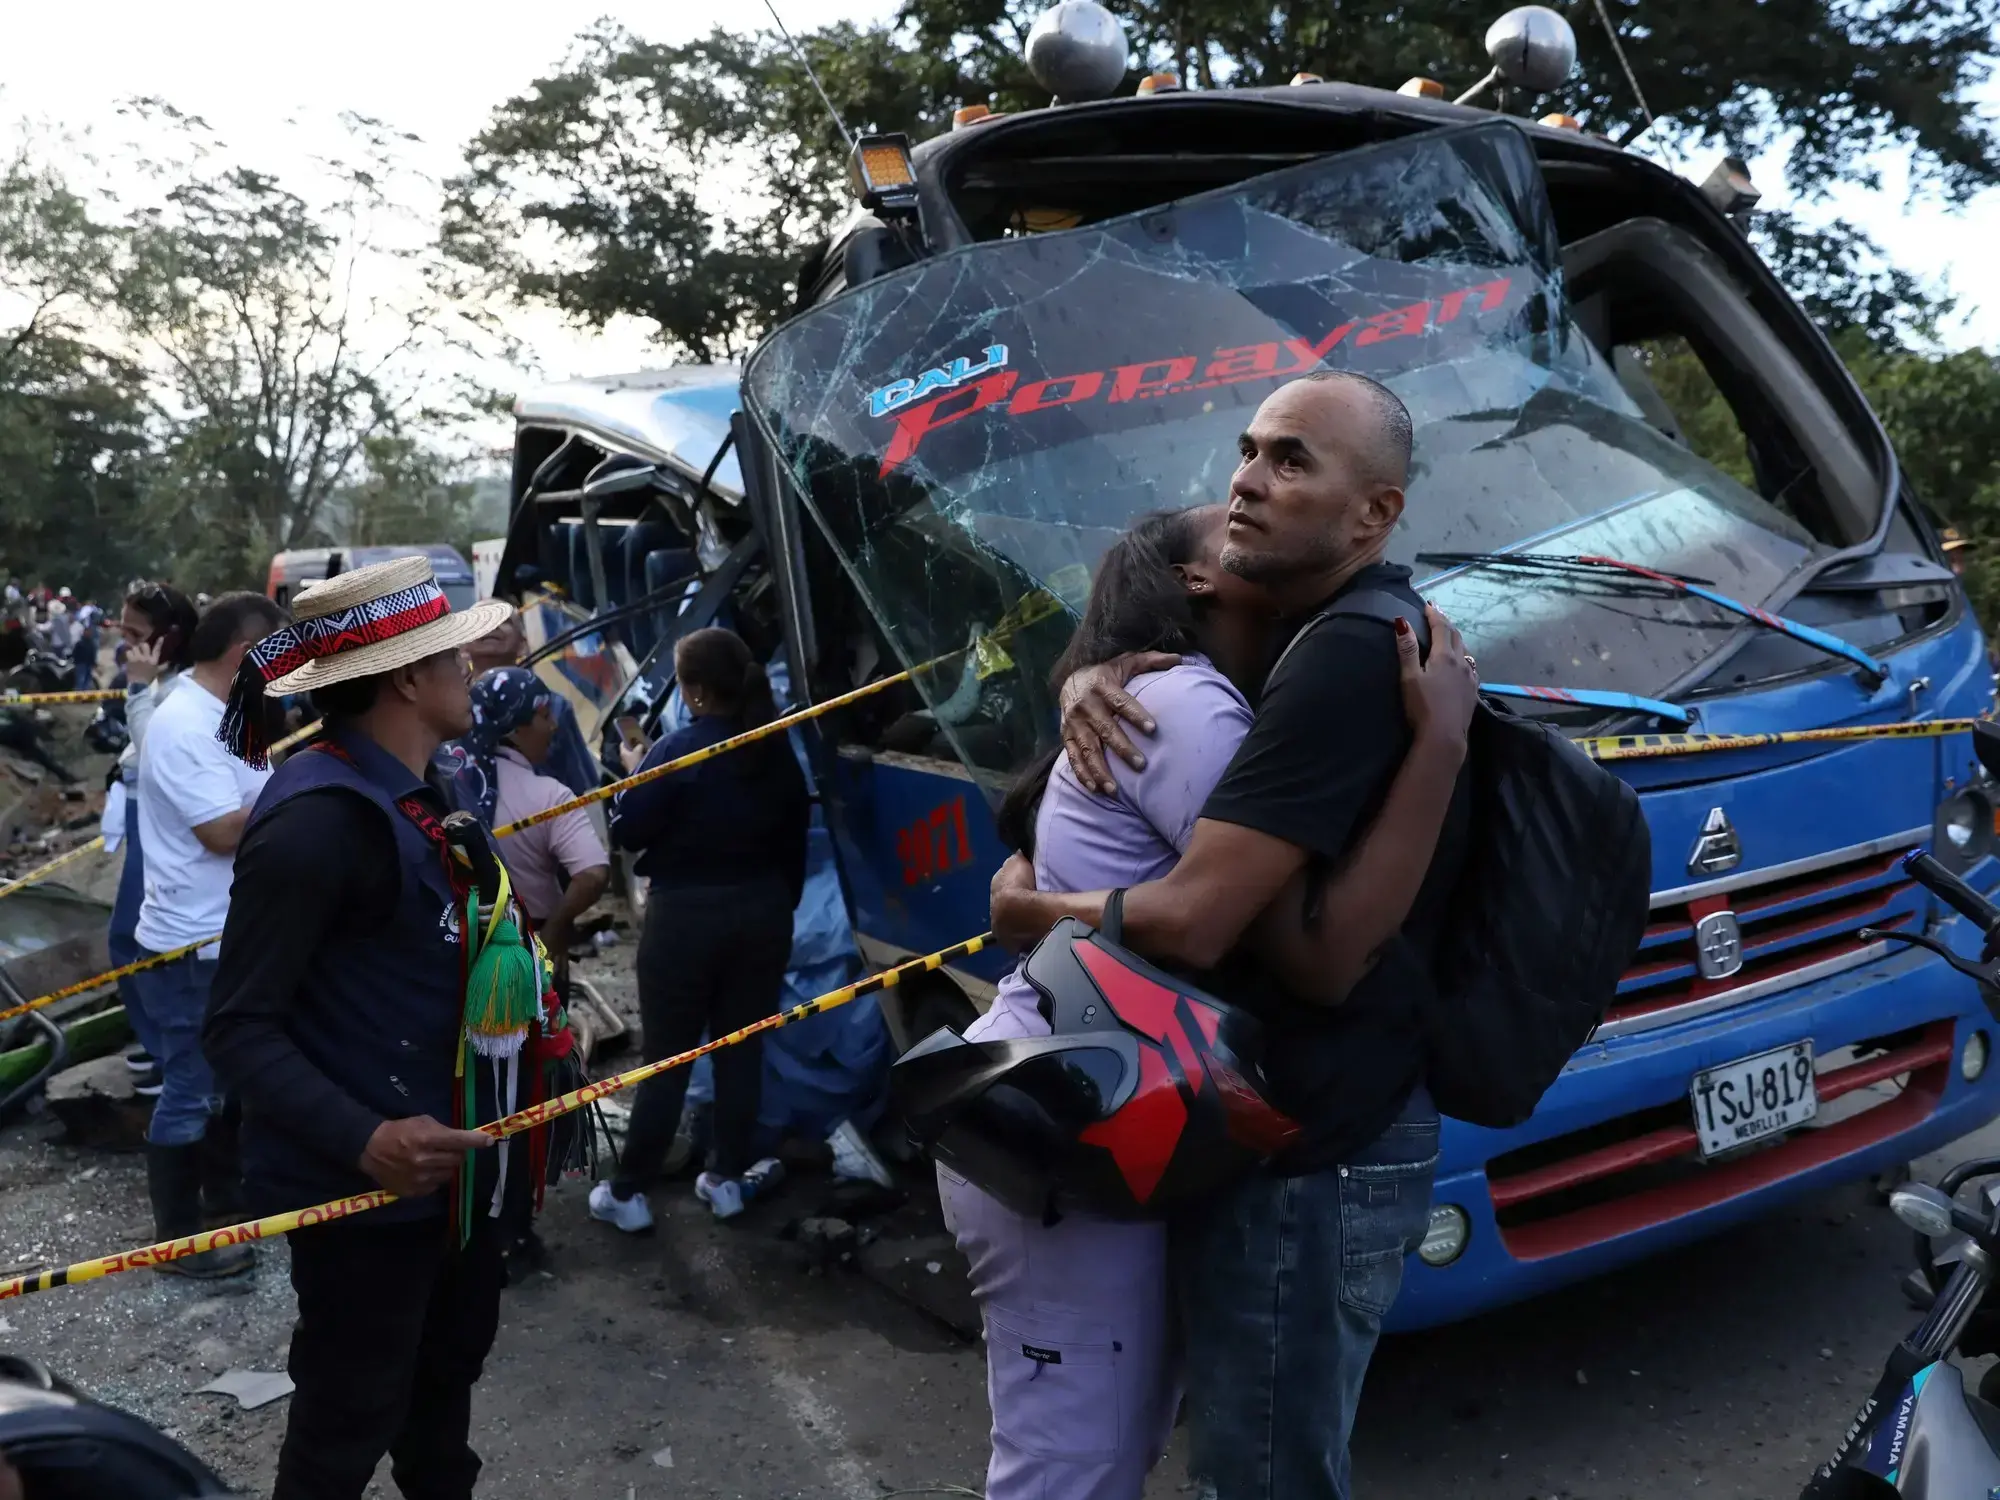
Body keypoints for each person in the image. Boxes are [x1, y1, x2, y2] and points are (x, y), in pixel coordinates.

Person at [990, 372, 1474, 1500]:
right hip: (1245, 1121)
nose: (1249, 481)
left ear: (1376, 514)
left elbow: (1250, 932)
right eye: (1246, 455)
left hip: (1312, 1138)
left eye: (1291, 459)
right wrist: (1086, 676)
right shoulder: (1246, 678)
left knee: (1214, 1467)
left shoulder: (1316, 662)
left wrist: (1019, 911)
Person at [204, 555, 520, 1500]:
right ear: (406, 680)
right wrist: (367, 1138)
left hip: (448, 1188)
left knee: (440, 1409)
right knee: (344, 1427)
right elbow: (238, 1028)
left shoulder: (415, 793)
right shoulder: (319, 820)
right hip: (365, 1199)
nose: (472, 671)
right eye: (454, 660)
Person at [590, 626, 809, 1230]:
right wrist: (775, 908)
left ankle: (630, 1191)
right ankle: (727, 1177)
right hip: (763, 915)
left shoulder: (676, 752)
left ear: (693, 692)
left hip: (685, 920)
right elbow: (796, 843)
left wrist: (635, 771)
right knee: (742, 1051)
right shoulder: (774, 748)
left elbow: (628, 831)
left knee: (668, 1058)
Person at [127, 591, 289, 1278]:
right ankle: (178, 1237)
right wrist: (300, 798)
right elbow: (221, 830)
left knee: (227, 1082)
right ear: (245, 655)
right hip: (195, 944)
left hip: (230, 934)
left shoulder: (230, 714)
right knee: (191, 1088)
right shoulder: (186, 725)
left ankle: (223, 1200)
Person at [443, 666, 610, 981]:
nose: (554, 725)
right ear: (514, 730)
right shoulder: (549, 796)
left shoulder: (448, 787)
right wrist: (555, 931)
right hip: (534, 939)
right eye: (544, 716)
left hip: (463, 950)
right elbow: (592, 874)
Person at [107, 582, 201, 1098]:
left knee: (136, 937)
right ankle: (158, 1039)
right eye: (121, 633)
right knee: (127, 937)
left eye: (135, 635)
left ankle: (172, 1053)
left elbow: (155, 751)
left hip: (161, 819)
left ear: (170, 637)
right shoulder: (164, 681)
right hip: (139, 809)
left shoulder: (181, 688)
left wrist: (138, 689)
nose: (126, 646)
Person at [465, 605, 597, 798]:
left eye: (503, 621)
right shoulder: (450, 708)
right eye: (481, 618)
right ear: (464, 646)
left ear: (523, 645)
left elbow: (581, 787)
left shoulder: (556, 707)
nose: (491, 625)